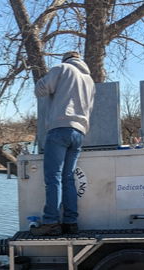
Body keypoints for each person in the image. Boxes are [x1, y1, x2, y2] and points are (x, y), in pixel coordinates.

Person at [31, 51, 95, 236]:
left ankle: (51, 222)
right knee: (68, 178)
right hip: (79, 133)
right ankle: (71, 222)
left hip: (59, 128)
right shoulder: (89, 80)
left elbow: (40, 90)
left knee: (53, 178)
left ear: (65, 59)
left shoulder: (62, 68)